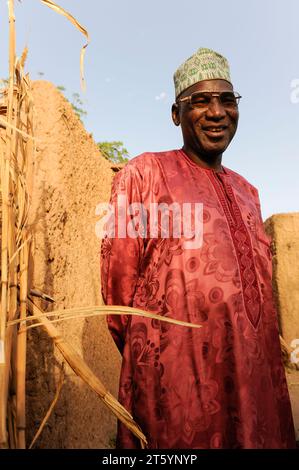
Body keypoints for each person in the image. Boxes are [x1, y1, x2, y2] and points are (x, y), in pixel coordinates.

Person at [100, 48, 296, 449]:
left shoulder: (248, 193)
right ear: (176, 114)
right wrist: (161, 358)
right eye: (200, 101)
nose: (217, 112)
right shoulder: (143, 174)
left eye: (227, 100)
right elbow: (118, 295)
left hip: (254, 381)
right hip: (175, 388)